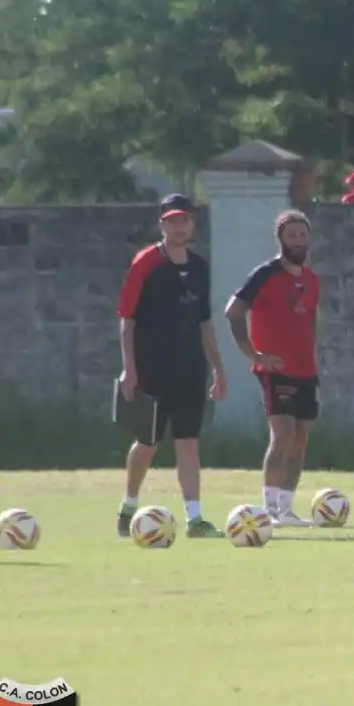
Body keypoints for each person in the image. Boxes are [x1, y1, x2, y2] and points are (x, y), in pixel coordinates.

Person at [115, 194, 227, 538]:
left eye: (186, 220)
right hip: (152, 365)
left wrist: (219, 369)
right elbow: (127, 318)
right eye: (173, 221)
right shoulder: (146, 262)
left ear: (193, 224)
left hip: (190, 366)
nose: (180, 227)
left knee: (188, 440)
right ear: (161, 224)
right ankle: (129, 505)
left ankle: (195, 518)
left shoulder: (199, 266)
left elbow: (205, 322)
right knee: (147, 442)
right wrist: (129, 369)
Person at [224, 210, 322, 527]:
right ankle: (267, 510)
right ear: (280, 239)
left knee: (301, 439)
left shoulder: (311, 280)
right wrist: (254, 354)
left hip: (306, 370)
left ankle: (286, 509)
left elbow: (309, 320)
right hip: (276, 369)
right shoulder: (265, 274)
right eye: (291, 235)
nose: (297, 241)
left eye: (302, 235)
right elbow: (233, 312)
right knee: (282, 434)